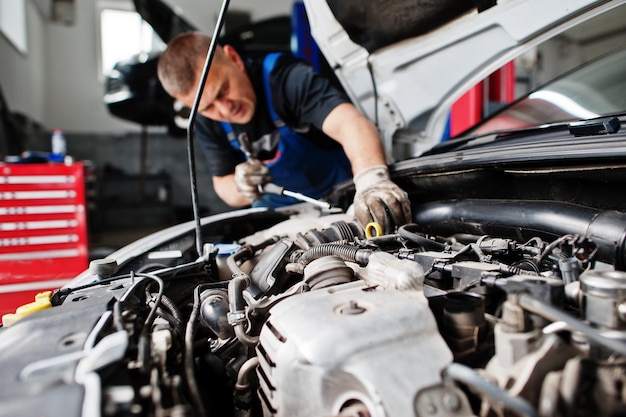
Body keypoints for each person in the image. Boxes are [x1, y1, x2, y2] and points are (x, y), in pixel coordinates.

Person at [157, 31, 410, 232]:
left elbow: (351, 124)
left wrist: (371, 182)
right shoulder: (204, 119)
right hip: (277, 216)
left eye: (222, 90)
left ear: (234, 59)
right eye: (208, 106)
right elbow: (222, 184)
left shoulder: (284, 78)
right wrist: (241, 185)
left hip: (341, 200)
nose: (224, 108)